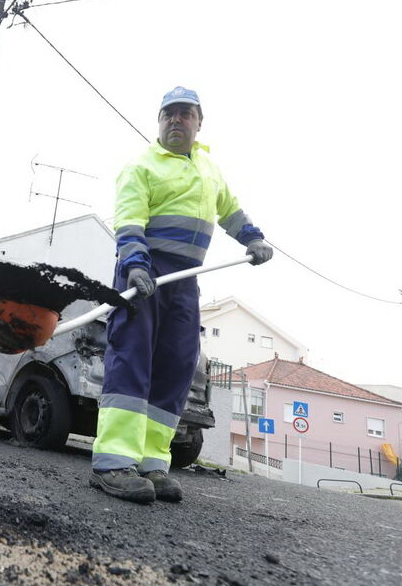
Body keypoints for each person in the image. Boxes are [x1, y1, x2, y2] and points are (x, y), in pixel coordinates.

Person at [90, 86, 272, 503]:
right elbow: (130, 221)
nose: (176, 120)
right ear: (159, 121)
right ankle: (113, 463)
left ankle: (153, 463)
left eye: (185, 114)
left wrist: (253, 237)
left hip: (186, 280)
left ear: (198, 122)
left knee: (175, 366)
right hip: (144, 271)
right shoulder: (141, 166)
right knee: (132, 358)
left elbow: (230, 209)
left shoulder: (208, 169)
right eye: (168, 114)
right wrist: (135, 264)